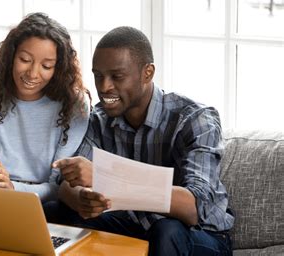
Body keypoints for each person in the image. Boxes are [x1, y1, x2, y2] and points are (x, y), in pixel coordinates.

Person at [48, 26, 234, 255]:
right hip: (133, 227)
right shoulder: (99, 119)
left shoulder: (195, 119)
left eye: (117, 76)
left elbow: (194, 208)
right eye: (98, 76)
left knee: (167, 230)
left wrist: (107, 177)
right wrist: (81, 199)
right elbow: (63, 183)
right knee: (56, 211)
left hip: (197, 235)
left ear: (148, 73)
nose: (104, 87)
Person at [0, 12, 90, 203]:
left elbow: (57, 187)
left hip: (44, 204)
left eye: (46, 65)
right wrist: (1, 188)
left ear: (58, 68)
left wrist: (13, 188)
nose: (33, 74)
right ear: (11, 56)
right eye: (25, 60)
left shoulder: (75, 104)